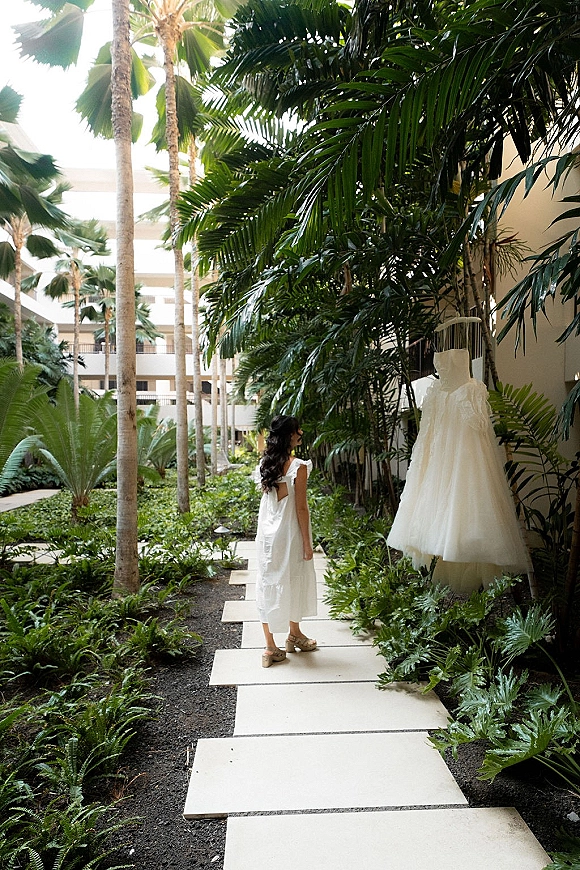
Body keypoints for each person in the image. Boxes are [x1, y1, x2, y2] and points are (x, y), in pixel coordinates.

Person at [255, 415, 318, 667]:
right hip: (289, 533)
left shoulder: (265, 464)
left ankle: (273, 646)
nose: (300, 432)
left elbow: (270, 501)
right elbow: (300, 508)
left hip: (267, 536)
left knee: (268, 582)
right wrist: (306, 542)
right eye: (296, 430)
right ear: (289, 436)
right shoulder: (298, 466)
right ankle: (293, 634)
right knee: (293, 578)